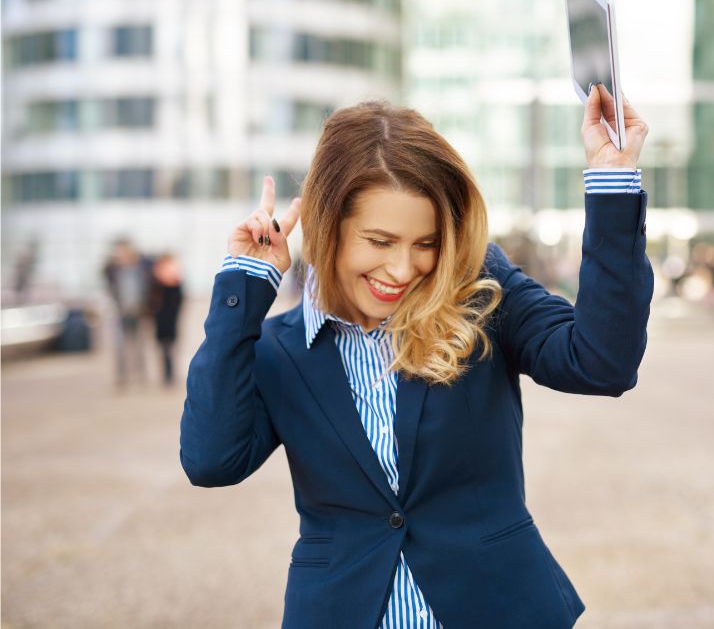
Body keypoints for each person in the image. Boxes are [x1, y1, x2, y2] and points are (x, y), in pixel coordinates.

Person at [179, 84, 652, 629]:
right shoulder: (274, 348)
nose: (402, 270)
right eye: (379, 241)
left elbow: (602, 363)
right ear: (328, 227)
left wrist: (612, 180)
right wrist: (244, 286)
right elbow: (211, 460)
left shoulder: (482, 293)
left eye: (424, 243)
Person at [103, 237, 153, 388]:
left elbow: (150, 265)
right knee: (120, 347)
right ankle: (123, 376)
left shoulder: (141, 269)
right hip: (122, 312)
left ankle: (141, 374)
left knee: (139, 345)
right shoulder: (114, 270)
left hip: (138, 311)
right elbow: (104, 271)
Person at [149, 252, 184, 386]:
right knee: (165, 347)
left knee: (168, 347)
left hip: (168, 317)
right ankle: (168, 374)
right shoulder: (158, 279)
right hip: (163, 317)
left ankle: (169, 374)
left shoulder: (169, 279)